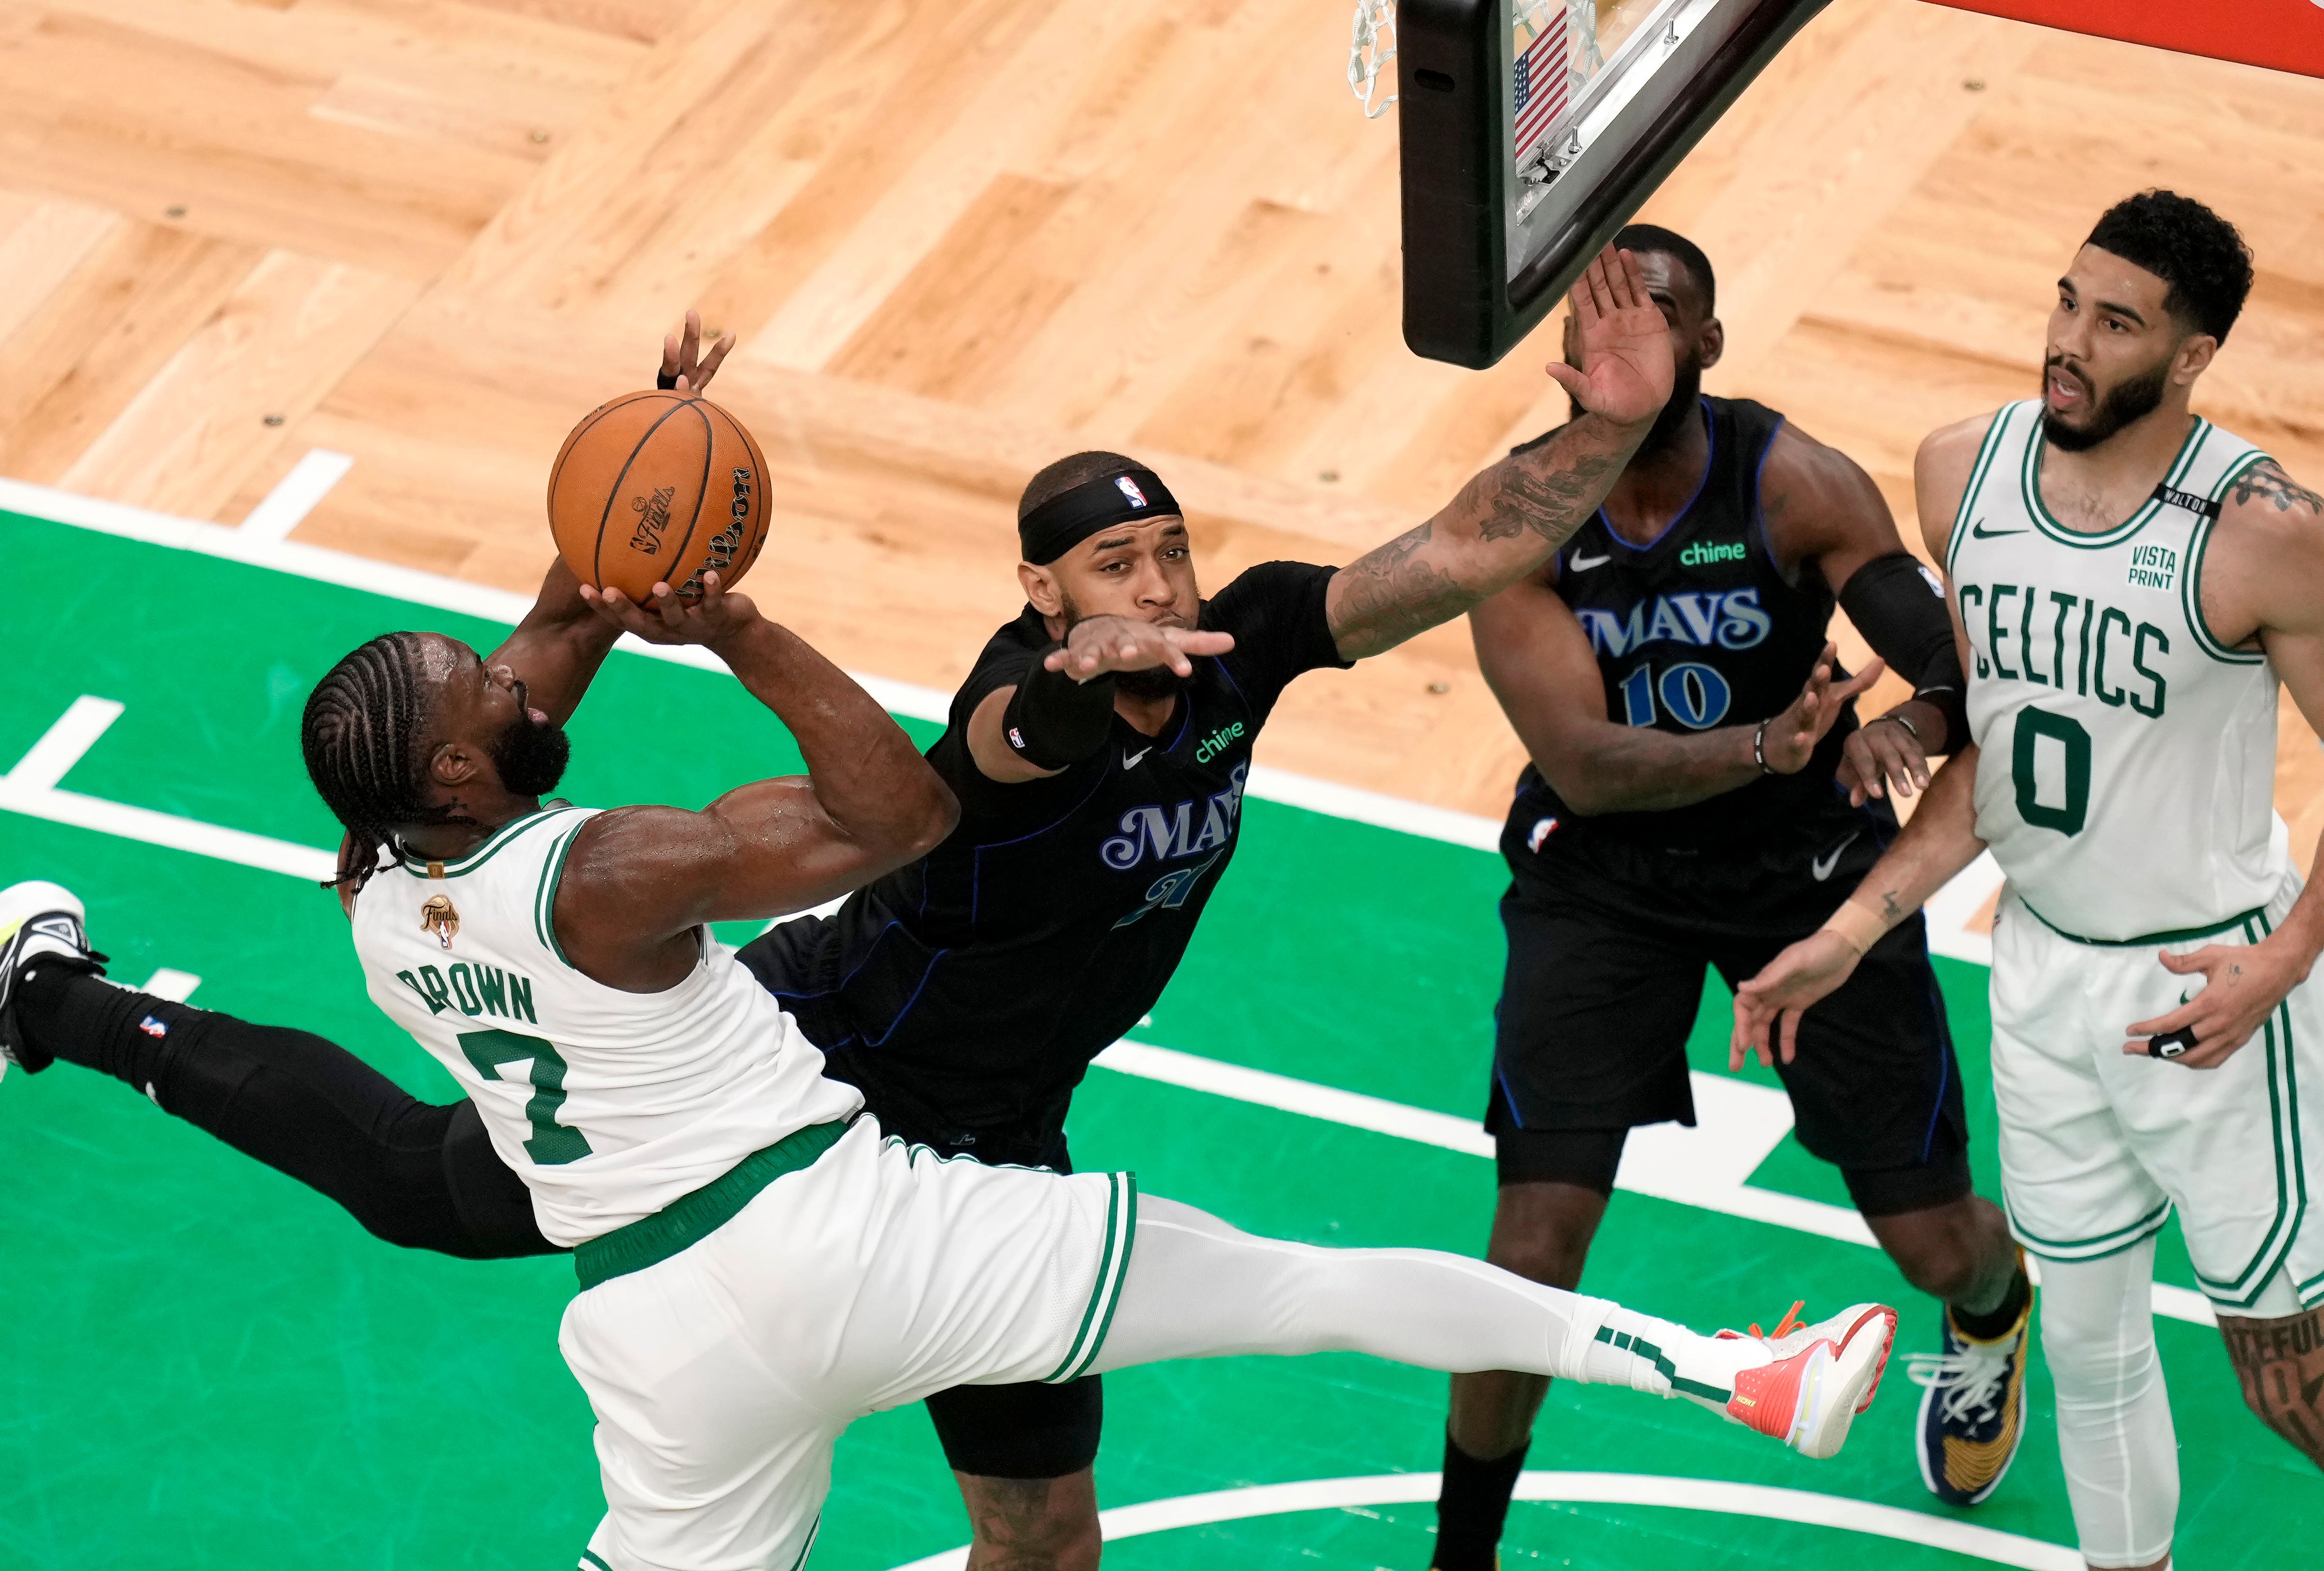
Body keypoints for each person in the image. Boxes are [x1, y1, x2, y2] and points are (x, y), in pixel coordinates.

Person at [0, 250, 1886, 1566]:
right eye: (1106, 564)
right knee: (436, 1185)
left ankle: (56, 999)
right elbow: (968, 759)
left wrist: (1636, 418)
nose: (1153, 578)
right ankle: (68, 1003)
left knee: (1039, 1524)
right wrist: (741, 609)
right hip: (818, 1090)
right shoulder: (1016, 704)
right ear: (1039, 589)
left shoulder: (1239, 650)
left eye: (1167, 547)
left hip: (929, 1150)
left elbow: (1469, 534)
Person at [1731, 190, 2324, 1571]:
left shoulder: (2266, 532)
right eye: (2065, 301)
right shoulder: (1963, 471)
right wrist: (1853, 926)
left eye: (2115, 321)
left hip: (2209, 983)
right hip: (2041, 977)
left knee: (2294, 1384)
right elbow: (1998, 749)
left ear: (2190, 357)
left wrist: (2289, 954)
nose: (2067, 343)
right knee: (2085, 1348)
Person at [1427, 226, 2031, 1571]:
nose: (1625, 342)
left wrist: (1914, 719)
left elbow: (1951, 662)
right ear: (1568, 361)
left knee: (1933, 1245)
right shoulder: (1516, 516)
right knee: (1529, 1251)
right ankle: (1458, 1556)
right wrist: (1767, 745)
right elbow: (1584, 768)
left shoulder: (1795, 484)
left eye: (1658, 318)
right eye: (1599, 325)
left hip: (1803, 881)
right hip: (1605, 886)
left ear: (1705, 345)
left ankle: (1995, 1310)